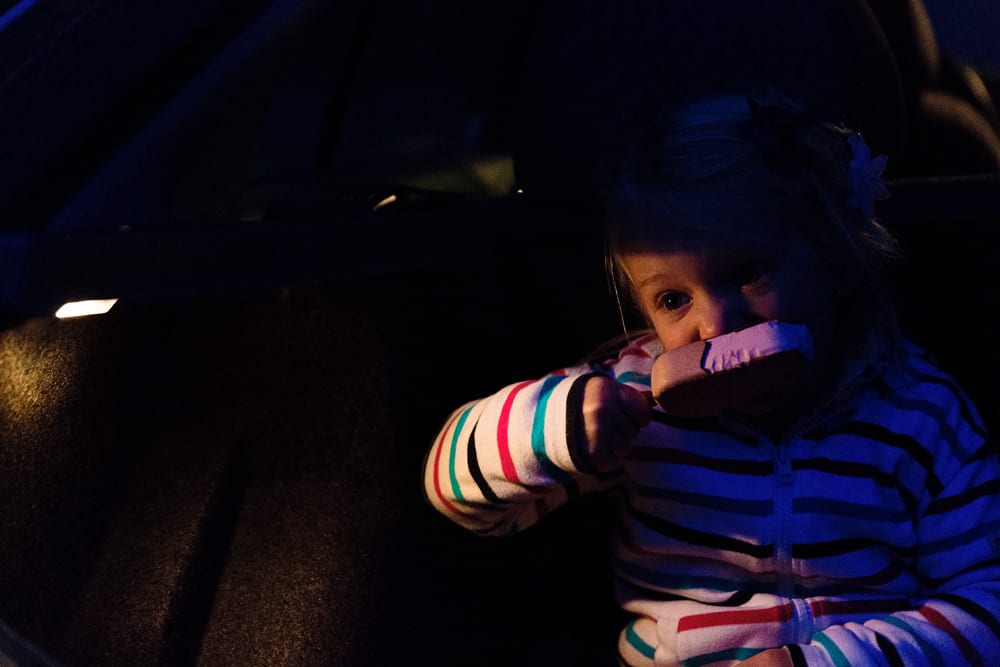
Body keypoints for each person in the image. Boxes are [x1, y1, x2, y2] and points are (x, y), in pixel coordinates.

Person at [422, 86, 1000, 666]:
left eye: (747, 272)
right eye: (673, 299)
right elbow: (455, 495)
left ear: (837, 257)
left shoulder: (922, 413)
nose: (716, 325)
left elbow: (988, 602)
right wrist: (555, 427)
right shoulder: (630, 404)